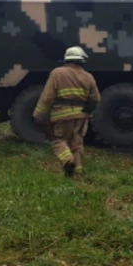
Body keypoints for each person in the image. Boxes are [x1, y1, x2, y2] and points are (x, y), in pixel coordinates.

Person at [33, 46, 101, 177]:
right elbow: (96, 99)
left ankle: (68, 161)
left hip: (61, 115)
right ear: (81, 60)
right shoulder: (88, 76)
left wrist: (38, 115)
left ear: (66, 59)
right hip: (81, 116)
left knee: (58, 140)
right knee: (77, 144)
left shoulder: (57, 73)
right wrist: (86, 110)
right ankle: (78, 171)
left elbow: (47, 97)